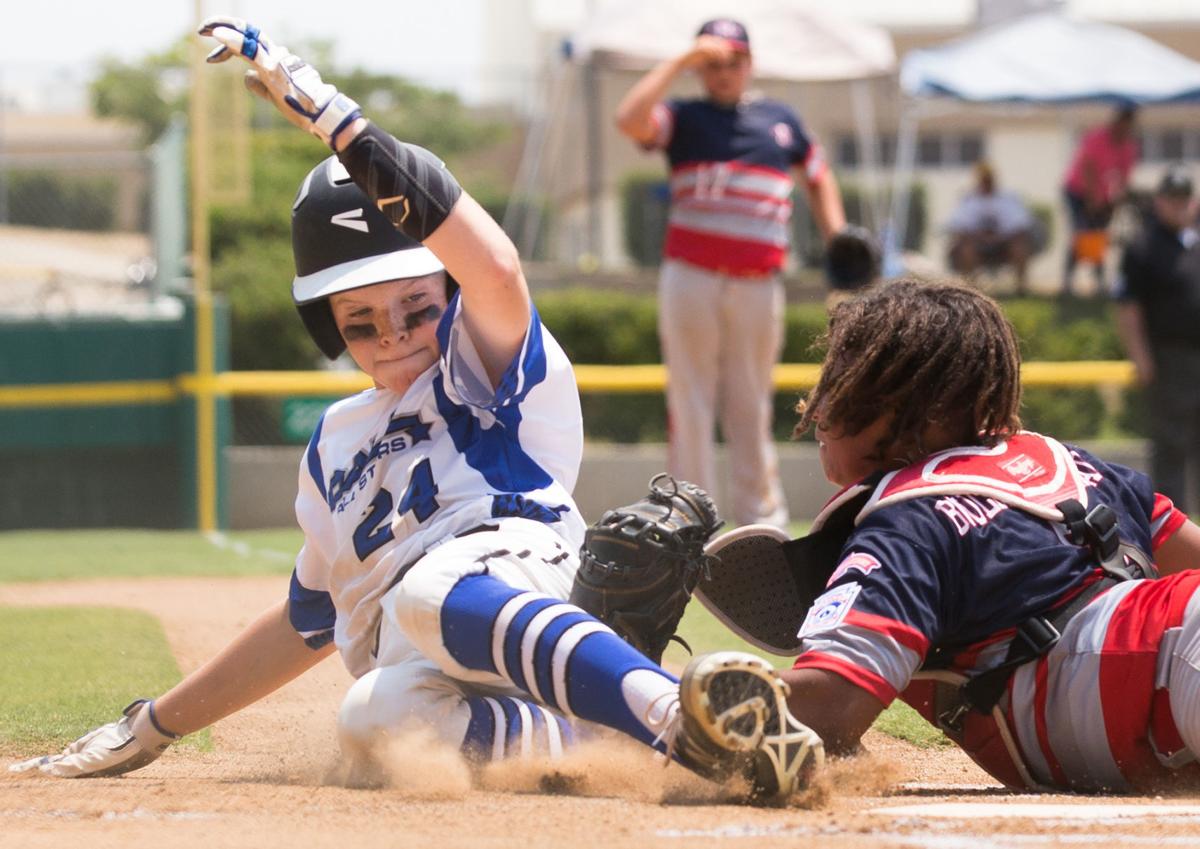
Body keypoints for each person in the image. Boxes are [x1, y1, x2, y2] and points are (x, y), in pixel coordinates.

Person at [8, 16, 821, 804]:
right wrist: (150, 726)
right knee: (374, 718)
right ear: (331, 328)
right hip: (429, 640)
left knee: (427, 591)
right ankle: (623, 736)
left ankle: (674, 715)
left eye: (414, 306)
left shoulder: (484, 363)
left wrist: (338, 123)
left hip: (513, 577)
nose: (393, 335)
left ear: (449, 293)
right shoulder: (333, 445)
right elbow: (306, 621)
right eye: (361, 321)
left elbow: (495, 267)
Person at [735, 277, 1200, 793]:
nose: (820, 404)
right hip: (1171, 652)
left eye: (849, 378)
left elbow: (825, 711)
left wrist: (650, 686)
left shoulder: (907, 521)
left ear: (917, 408)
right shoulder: (1069, 463)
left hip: (1169, 657)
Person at [614, 17, 849, 531]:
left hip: (757, 280)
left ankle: (761, 523)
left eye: (733, 61)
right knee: (690, 398)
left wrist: (839, 238)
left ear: (751, 62)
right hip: (692, 275)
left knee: (751, 401)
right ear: (700, 68)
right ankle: (688, 519)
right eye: (713, 64)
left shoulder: (778, 118)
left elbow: (818, 173)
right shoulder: (683, 115)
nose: (724, 73)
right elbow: (629, 119)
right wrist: (681, 60)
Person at [1114, 165, 1200, 516]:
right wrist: (1141, 357)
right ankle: (1173, 525)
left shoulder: (1194, 242)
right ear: (1159, 202)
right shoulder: (1143, 246)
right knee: (1171, 444)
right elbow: (1128, 307)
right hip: (1169, 356)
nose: (1178, 207)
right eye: (1172, 200)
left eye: (1184, 200)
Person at [1061, 103, 1140, 296]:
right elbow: (1087, 168)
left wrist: (1114, 202)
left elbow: (1123, 178)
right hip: (1078, 191)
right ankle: (1067, 283)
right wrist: (1091, 199)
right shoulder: (1097, 137)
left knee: (1099, 237)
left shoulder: (1128, 147)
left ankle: (1099, 283)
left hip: (1101, 198)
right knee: (1082, 234)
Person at [945, 162, 1037, 295]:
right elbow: (960, 227)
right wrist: (980, 237)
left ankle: (1021, 288)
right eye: (983, 178)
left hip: (1004, 244)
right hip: (976, 245)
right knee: (965, 248)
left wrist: (998, 238)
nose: (986, 182)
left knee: (1020, 246)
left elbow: (1020, 226)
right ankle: (970, 288)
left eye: (988, 178)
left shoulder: (1008, 198)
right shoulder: (968, 200)